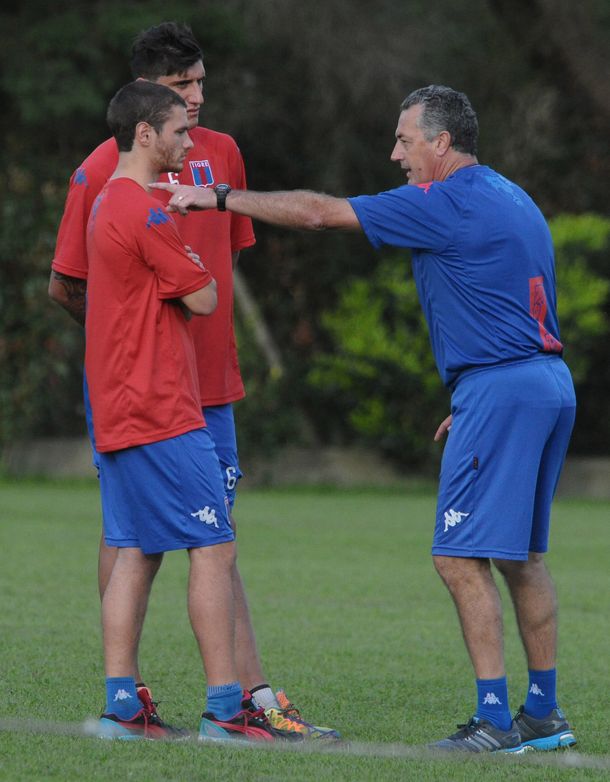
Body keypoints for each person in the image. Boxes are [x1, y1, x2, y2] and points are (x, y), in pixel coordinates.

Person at [153, 85, 578, 753]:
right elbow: (511, 301)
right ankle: (544, 716)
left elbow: (322, 215)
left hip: (505, 390)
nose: (395, 154)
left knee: (458, 558)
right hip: (544, 382)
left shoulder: (444, 201)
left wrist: (222, 197)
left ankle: (496, 722)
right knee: (522, 558)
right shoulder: (512, 196)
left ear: (441, 144)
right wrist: (478, 395)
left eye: (405, 141)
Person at [49, 22, 338, 741]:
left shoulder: (219, 155)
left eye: (202, 84)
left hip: (202, 383)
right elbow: (79, 286)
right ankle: (219, 707)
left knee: (172, 540)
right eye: (183, 92)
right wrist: (132, 345)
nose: (198, 105)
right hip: (152, 394)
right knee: (191, 540)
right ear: (148, 111)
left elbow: (225, 273)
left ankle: (222, 697)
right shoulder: (108, 176)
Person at [86, 79, 287, 742]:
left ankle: (122, 707)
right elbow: (202, 298)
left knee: (136, 549)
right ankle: (227, 710)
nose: (187, 141)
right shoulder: (144, 212)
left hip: (117, 406)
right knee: (215, 545)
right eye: (177, 131)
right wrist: (193, 262)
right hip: (161, 408)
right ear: (145, 133)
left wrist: (188, 267)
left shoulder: (105, 203)